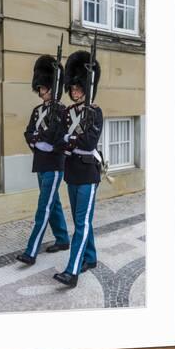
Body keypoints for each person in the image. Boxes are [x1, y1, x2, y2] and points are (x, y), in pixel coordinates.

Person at [52, 50, 103, 288]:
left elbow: (89, 143)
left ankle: (72, 271)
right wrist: (71, 142)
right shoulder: (68, 112)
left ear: (87, 88)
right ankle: (90, 258)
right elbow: (60, 141)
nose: (74, 92)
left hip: (88, 174)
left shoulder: (95, 112)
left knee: (81, 223)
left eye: (78, 88)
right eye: (71, 89)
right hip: (72, 173)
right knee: (82, 220)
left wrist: (70, 142)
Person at [16, 55, 70, 265]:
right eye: (39, 88)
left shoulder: (63, 111)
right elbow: (29, 133)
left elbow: (56, 136)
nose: (40, 92)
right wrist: (37, 142)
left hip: (55, 165)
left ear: (52, 88)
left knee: (44, 206)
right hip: (40, 163)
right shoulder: (37, 111)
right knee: (53, 202)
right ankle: (63, 238)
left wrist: (42, 139)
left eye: (44, 88)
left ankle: (31, 252)